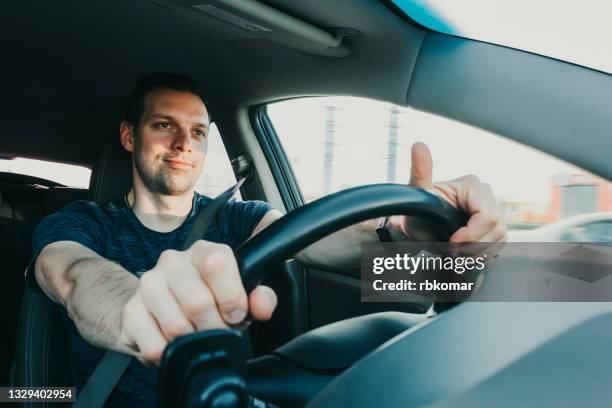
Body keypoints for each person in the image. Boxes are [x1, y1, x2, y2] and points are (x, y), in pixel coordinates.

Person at [32, 73, 506, 406]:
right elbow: (72, 275)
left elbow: (315, 240)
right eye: (164, 125)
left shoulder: (237, 219)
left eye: (197, 132)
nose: (183, 143)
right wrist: (138, 305)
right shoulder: (83, 221)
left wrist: (397, 230)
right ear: (129, 136)